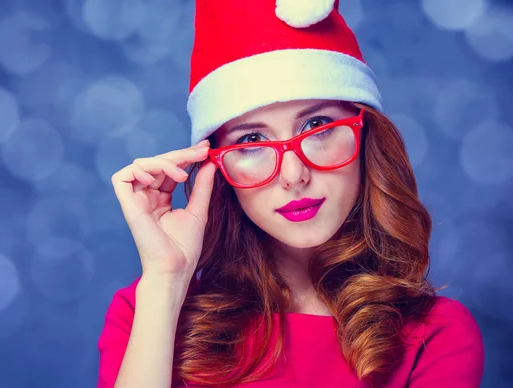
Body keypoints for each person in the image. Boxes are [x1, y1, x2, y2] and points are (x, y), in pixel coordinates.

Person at [97, 1, 484, 387]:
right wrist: (166, 280)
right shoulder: (146, 309)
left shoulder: (436, 336)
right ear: (215, 165)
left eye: (318, 126)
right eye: (250, 140)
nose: (293, 175)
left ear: (365, 135)